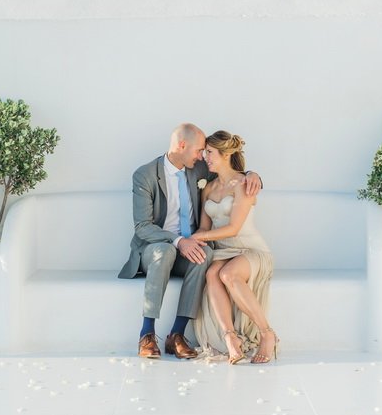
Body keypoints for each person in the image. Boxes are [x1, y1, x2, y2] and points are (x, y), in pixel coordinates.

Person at [119, 123, 262, 359]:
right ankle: (146, 334)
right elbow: (143, 227)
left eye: (206, 152)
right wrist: (178, 241)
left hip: (189, 249)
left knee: (205, 255)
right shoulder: (144, 175)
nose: (203, 157)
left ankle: (177, 334)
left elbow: (228, 173)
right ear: (182, 145)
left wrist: (252, 175)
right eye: (199, 151)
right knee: (164, 251)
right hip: (155, 249)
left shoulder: (197, 171)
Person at [191, 130, 277, 364]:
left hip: (251, 249)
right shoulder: (208, 188)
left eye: (209, 152)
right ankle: (230, 338)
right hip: (223, 251)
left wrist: (202, 237)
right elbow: (203, 226)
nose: (204, 157)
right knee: (212, 273)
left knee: (228, 274)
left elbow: (234, 228)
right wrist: (190, 239)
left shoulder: (244, 183)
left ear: (226, 154)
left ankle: (267, 333)